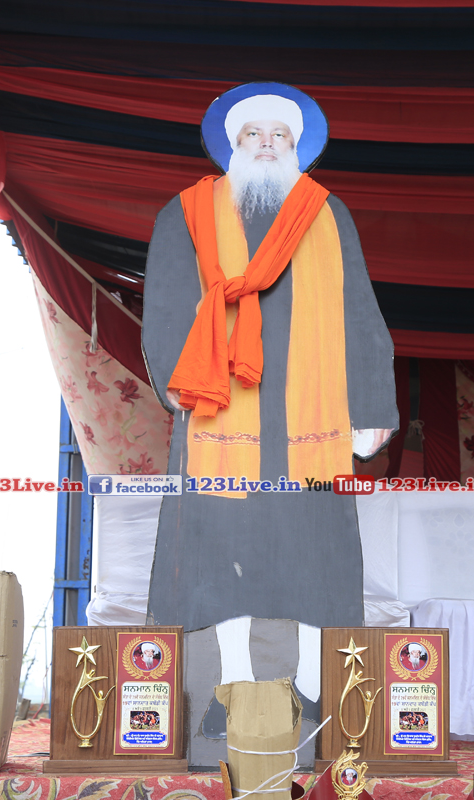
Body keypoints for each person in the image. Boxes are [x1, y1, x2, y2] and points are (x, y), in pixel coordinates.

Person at [143, 86, 397, 631]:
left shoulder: (328, 213)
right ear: (233, 145)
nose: (265, 143)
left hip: (311, 407)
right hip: (220, 401)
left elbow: (360, 313)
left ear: (296, 147)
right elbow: (164, 304)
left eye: (278, 134)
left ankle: (315, 671)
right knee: (216, 545)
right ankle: (213, 669)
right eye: (252, 134)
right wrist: (173, 378)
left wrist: (373, 406)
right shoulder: (186, 212)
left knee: (311, 542)